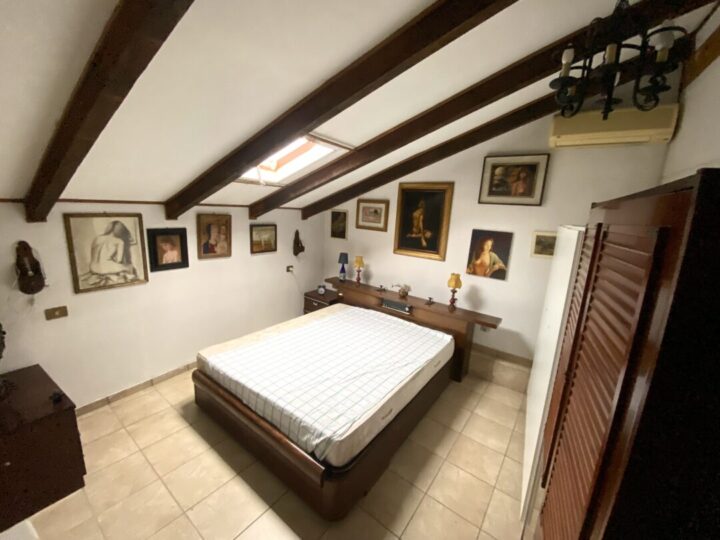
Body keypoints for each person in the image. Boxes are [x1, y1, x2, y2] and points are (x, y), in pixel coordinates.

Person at [82, 220, 138, 287]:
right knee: (130, 267)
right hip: (106, 267)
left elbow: (93, 254)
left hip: (92, 267)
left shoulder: (97, 238)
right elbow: (119, 260)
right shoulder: (119, 241)